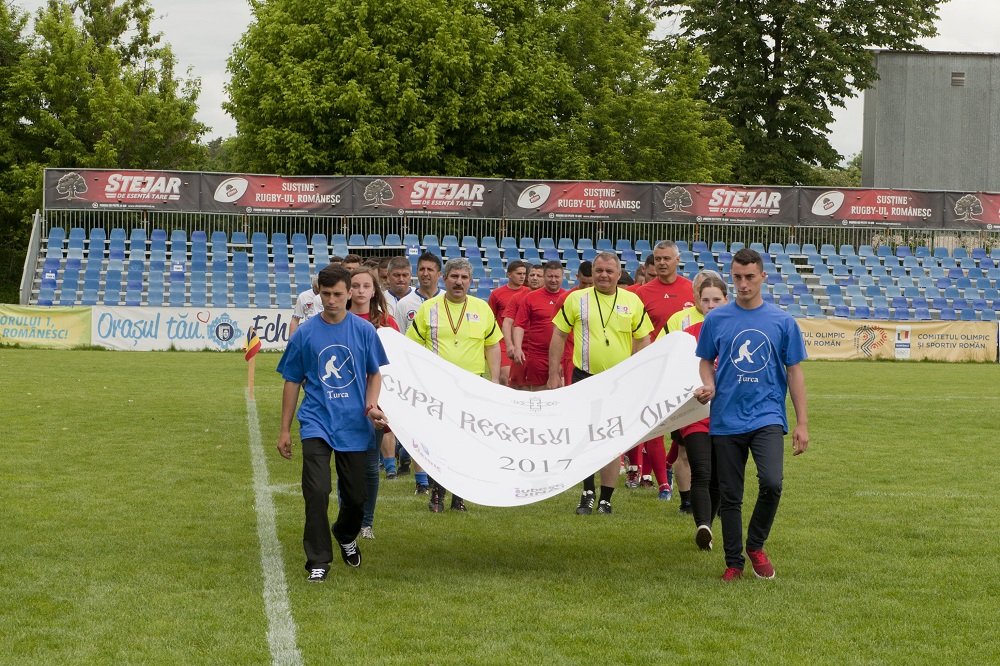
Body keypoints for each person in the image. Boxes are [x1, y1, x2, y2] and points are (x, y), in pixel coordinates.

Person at [693, 248, 809, 581]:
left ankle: (755, 544)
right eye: (738, 277)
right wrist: (709, 384)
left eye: (749, 277)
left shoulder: (782, 321)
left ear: (762, 278)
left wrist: (802, 423)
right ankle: (734, 563)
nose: (743, 284)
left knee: (772, 483)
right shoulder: (717, 319)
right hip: (727, 418)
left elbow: (795, 371)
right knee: (730, 495)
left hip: (767, 415)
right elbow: (705, 360)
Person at [276, 264, 389, 581]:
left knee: (355, 499)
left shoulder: (364, 331)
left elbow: (374, 372)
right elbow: (291, 381)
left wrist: (371, 406)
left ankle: (344, 534)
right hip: (316, 422)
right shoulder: (306, 333)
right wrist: (285, 429)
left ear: (350, 292)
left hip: (354, 424)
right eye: (326, 294)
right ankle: (317, 561)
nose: (331, 300)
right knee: (316, 491)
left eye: (338, 294)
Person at [547, 252, 653, 515]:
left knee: (612, 439)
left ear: (618, 274)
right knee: (585, 437)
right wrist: (553, 373)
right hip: (584, 377)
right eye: (599, 270)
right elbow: (559, 334)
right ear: (592, 272)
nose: (603, 275)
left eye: (609, 271)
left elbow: (643, 339)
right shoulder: (576, 299)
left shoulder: (632, 301)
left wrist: (638, 373)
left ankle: (606, 497)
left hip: (619, 382)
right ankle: (587, 491)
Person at [407, 257, 502, 512]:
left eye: (464, 278)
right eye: (454, 277)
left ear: (471, 282)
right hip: (436, 386)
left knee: (466, 443)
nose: (459, 282)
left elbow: (492, 344)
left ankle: (459, 496)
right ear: (444, 279)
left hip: (472, 386)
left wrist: (494, 379)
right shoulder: (429, 308)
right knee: (438, 442)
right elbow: (411, 346)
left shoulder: (482, 308)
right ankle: (437, 494)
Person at [624, 241, 694, 500]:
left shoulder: (690, 289)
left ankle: (667, 463)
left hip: (686, 367)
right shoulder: (642, 293)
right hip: (653, 367)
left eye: (667, 258)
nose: (662, 262)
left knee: (685, 424)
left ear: (678, 260)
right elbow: (636, 331)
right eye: (658, 258)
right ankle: (663, 484)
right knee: (653, 423)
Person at [348, 267, 400, 540]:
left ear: (374, 290)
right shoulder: (337, 319)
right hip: (344, 401)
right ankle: (348, 519)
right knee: (346, 464)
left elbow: (394, 367)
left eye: (365, 286)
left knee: (369, 464)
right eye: (354, 285)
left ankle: (366, 522)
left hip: (376, 403)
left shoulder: (386, 323)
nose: (359, 291)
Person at [677, 274, 728, 551]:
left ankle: (707, 526)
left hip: (727, 416)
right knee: (701, 470)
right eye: (705, 300)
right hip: (695, 413)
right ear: (698, 301)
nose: (710, 305)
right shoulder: (687, 335)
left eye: (716, 300)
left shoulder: (735, 331)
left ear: (726, 301)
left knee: (720, 476)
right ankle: (703, 526)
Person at [392, 252, 444, 494]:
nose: (425, 273)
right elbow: (400, 340)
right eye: (421, 269)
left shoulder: (448, 300)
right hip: (415, 375)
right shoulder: (404, 305)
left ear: (438, 274)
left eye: (430, 269)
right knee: (419, 428)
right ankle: (422, 481)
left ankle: (441, 474)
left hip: (443, 375)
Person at [509, 260, 568, 391]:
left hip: (563, 355)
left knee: (562, 393)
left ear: (562, 277)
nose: (553, 280)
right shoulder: (531, 297)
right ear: (544, 277)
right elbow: (519, 324)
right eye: (550, 276)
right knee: (539, 395)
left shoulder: (568, 298)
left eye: (556, 277)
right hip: (538, 356)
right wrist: (517, 347)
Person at [488, 259, 528, 386]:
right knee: (506, 377)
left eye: (524, 274)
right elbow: (490, 318)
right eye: (518, 273)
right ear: (509, 274)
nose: (522, 276)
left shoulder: (529, 293)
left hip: (523, 341)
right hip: (503, 342)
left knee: (524, 379)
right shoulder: (497, 294)